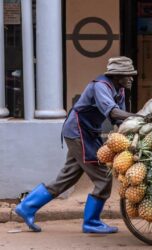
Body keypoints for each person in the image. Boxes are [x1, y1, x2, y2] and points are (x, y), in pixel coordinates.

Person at [15, 56, 140, 234]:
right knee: (103, 177)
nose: (131, 78)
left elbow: (117, 119)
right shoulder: (101, 86)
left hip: (87, 133)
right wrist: (139, 117)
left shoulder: (119, 91)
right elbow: (113, 111)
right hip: (78, 133)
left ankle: (27, 207)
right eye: (127, 75)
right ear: (116, 75)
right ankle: (92, 222)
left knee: (67, 177)